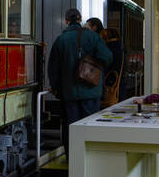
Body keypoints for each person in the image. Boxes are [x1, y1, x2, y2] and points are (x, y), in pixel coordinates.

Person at [47, 8, 113, 152]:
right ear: (80, 19)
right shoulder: (93, 37)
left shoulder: (60, 40)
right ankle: (89, 158)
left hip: (69, 93)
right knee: (89, 127)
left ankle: (72, 160)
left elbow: (53, 68)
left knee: (70, 127)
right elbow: (107, 57)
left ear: (66, 21)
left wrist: (56, 88)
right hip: (91, 91)